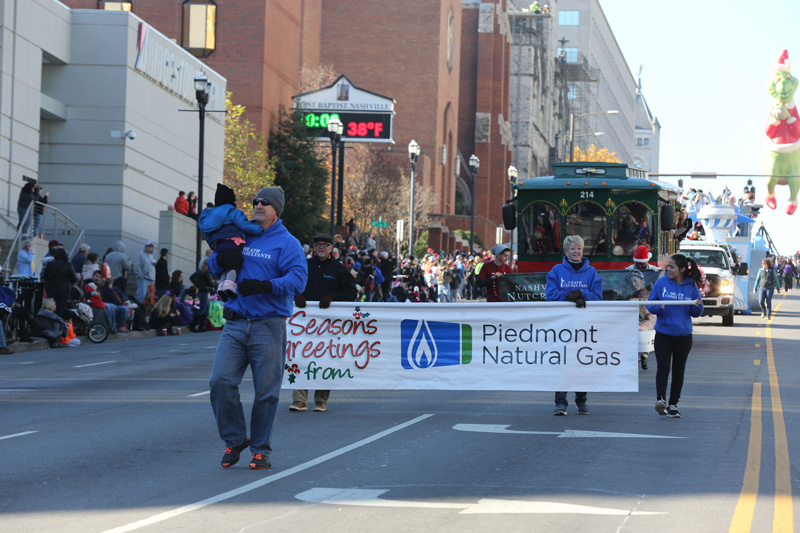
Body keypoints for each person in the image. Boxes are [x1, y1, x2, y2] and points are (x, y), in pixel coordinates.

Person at [207, 187, 307, 470]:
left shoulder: (287, 243)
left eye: (265, 203)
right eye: (256, 202)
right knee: (220, 383)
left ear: (277, 210)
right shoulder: (243, 232)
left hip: (269, 325)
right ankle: (235, 438)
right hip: (235, 323)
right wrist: (219, 259)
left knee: (266, 392)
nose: (258, 205)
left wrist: (266, 286)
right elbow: (214, 265)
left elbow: (298, 281)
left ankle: (260, 450)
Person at [291, 233, 358, 413]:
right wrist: (296, 294)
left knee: (324, 360)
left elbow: (352, 293)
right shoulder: (304, 266)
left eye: (325, 245)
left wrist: (333, 297)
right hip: (302, 323)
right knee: (299, 357)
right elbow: (289, 284)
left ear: (331, 248)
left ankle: (321, 400)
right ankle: (299, 399)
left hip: (328, 325)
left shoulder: (338, 269)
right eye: (318, 244)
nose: (321, 247)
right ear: (313, 247)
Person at [545, 235, 603, 416]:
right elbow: (550, 295)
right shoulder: (556, 271)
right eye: (572, 249)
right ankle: (560, 402)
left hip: (584, 326)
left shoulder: (592, 272)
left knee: (582, 363)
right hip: (562, 324)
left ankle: (581, 401)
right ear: (566, 251)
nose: (576, 252)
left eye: (579, 248)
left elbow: (598, 297)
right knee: (562, 362)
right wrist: (570, 296)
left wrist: (582, 293)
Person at [646, 254, 704, 419]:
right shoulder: (661, 283)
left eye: (672, 267)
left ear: (682, 269)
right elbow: (650, 304)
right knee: (663, 368)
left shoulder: (691, 286)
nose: (668, 269)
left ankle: (673, 404)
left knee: (679, 371)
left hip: (684, 336)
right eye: (668, 266)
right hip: (664, 334)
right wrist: (659, 308)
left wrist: (698, 306)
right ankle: (661, 400)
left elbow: (696, 312)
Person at [198, 183, 264, 301]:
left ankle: (221, 286)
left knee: (224, 266)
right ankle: (229, 284)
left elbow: (207, 234)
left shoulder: (209, 216)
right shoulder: (233, 212)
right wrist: (260, 229)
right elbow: (244, 225)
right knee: (235, 264)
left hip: (219, 246)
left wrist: (213, 246)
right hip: (233, 242)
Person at [42, 247, 77, 319]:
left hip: (51, 289)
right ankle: (60, 323)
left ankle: (51, 321)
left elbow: (45, 276)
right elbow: (73, 278)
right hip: (64, 289)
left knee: (51, 307)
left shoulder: (50, 264)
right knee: (62, 308)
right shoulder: (68, 265)